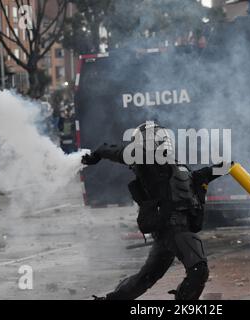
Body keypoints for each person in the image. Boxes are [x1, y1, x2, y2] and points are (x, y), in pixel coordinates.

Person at [82, 121, 229, 300]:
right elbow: (118, 151)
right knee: (198, 270)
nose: (160, 141)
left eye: (161, 137)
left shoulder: (174, 165)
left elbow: (196, 178)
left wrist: (223, 167)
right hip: (172, 228)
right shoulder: (146, 162)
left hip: (171, 229)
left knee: (147, 277)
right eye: (155, 138)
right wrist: (99, 152)